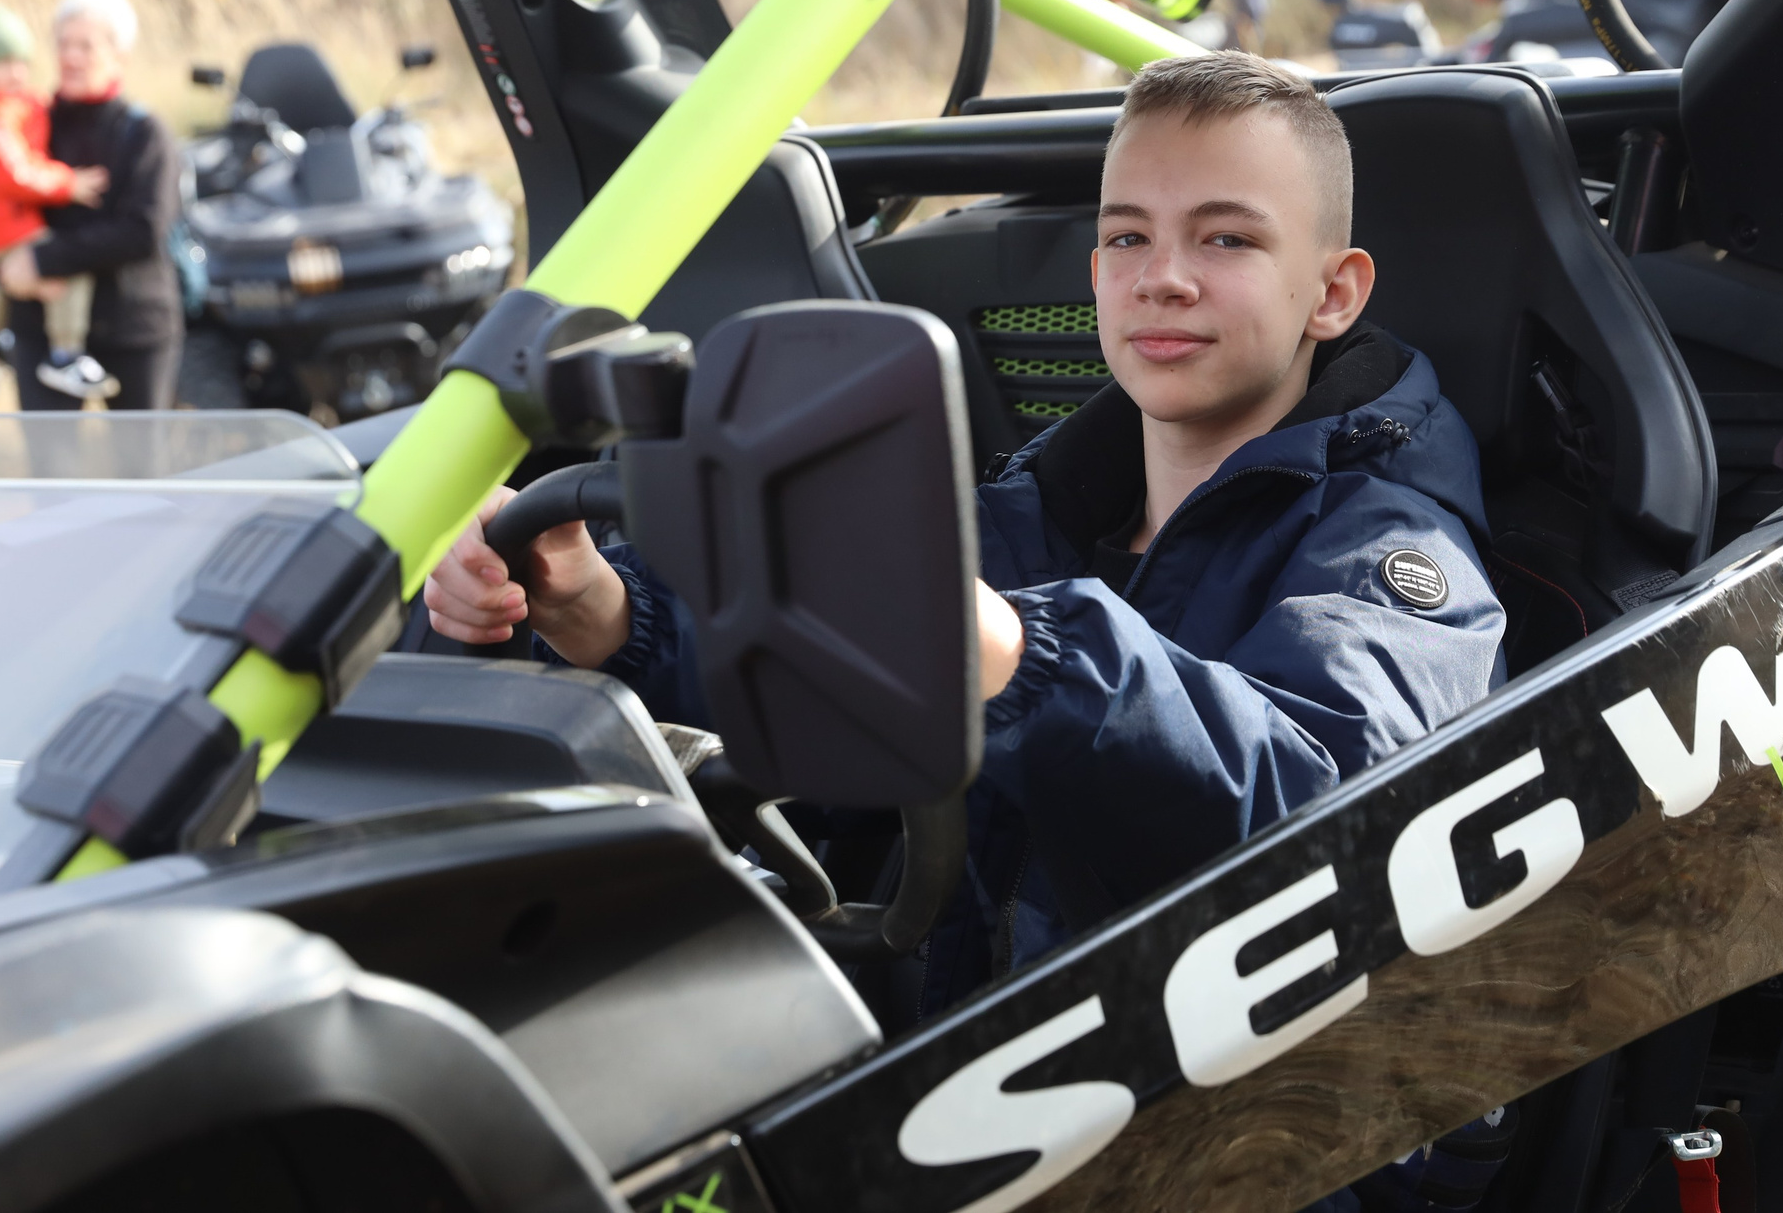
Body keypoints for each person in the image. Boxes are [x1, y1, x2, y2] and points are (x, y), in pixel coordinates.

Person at [425, 52, 1506, 1012]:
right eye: (1127, 235)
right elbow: (818, 674)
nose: (1161, 275)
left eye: (1225, 236)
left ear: (1333, 293)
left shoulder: (1392, 550)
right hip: (964, 1052)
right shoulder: (1036, 509)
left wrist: (1019, 654)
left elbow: (1328, 803)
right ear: (1094, 277)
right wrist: (598, 611)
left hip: (1247, 1117)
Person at [0, 0, 184, 410]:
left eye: (86, 45)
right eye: (63, 43)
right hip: (41, 327)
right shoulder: (26, 126)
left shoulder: (145, 133)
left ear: (120, 56)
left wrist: (42, 261)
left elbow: (143, 231)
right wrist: (2, 267)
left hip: (132, 327)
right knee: (53, 469)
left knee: (141, 469)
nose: (71, 56)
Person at [0, 5, 117, 402]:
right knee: (62, 269)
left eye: (22, 64)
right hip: (0, 223)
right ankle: (66, 353)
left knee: (16, 272)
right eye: (4, 65)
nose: (17, 74)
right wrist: (67, 183)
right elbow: (14, 172)